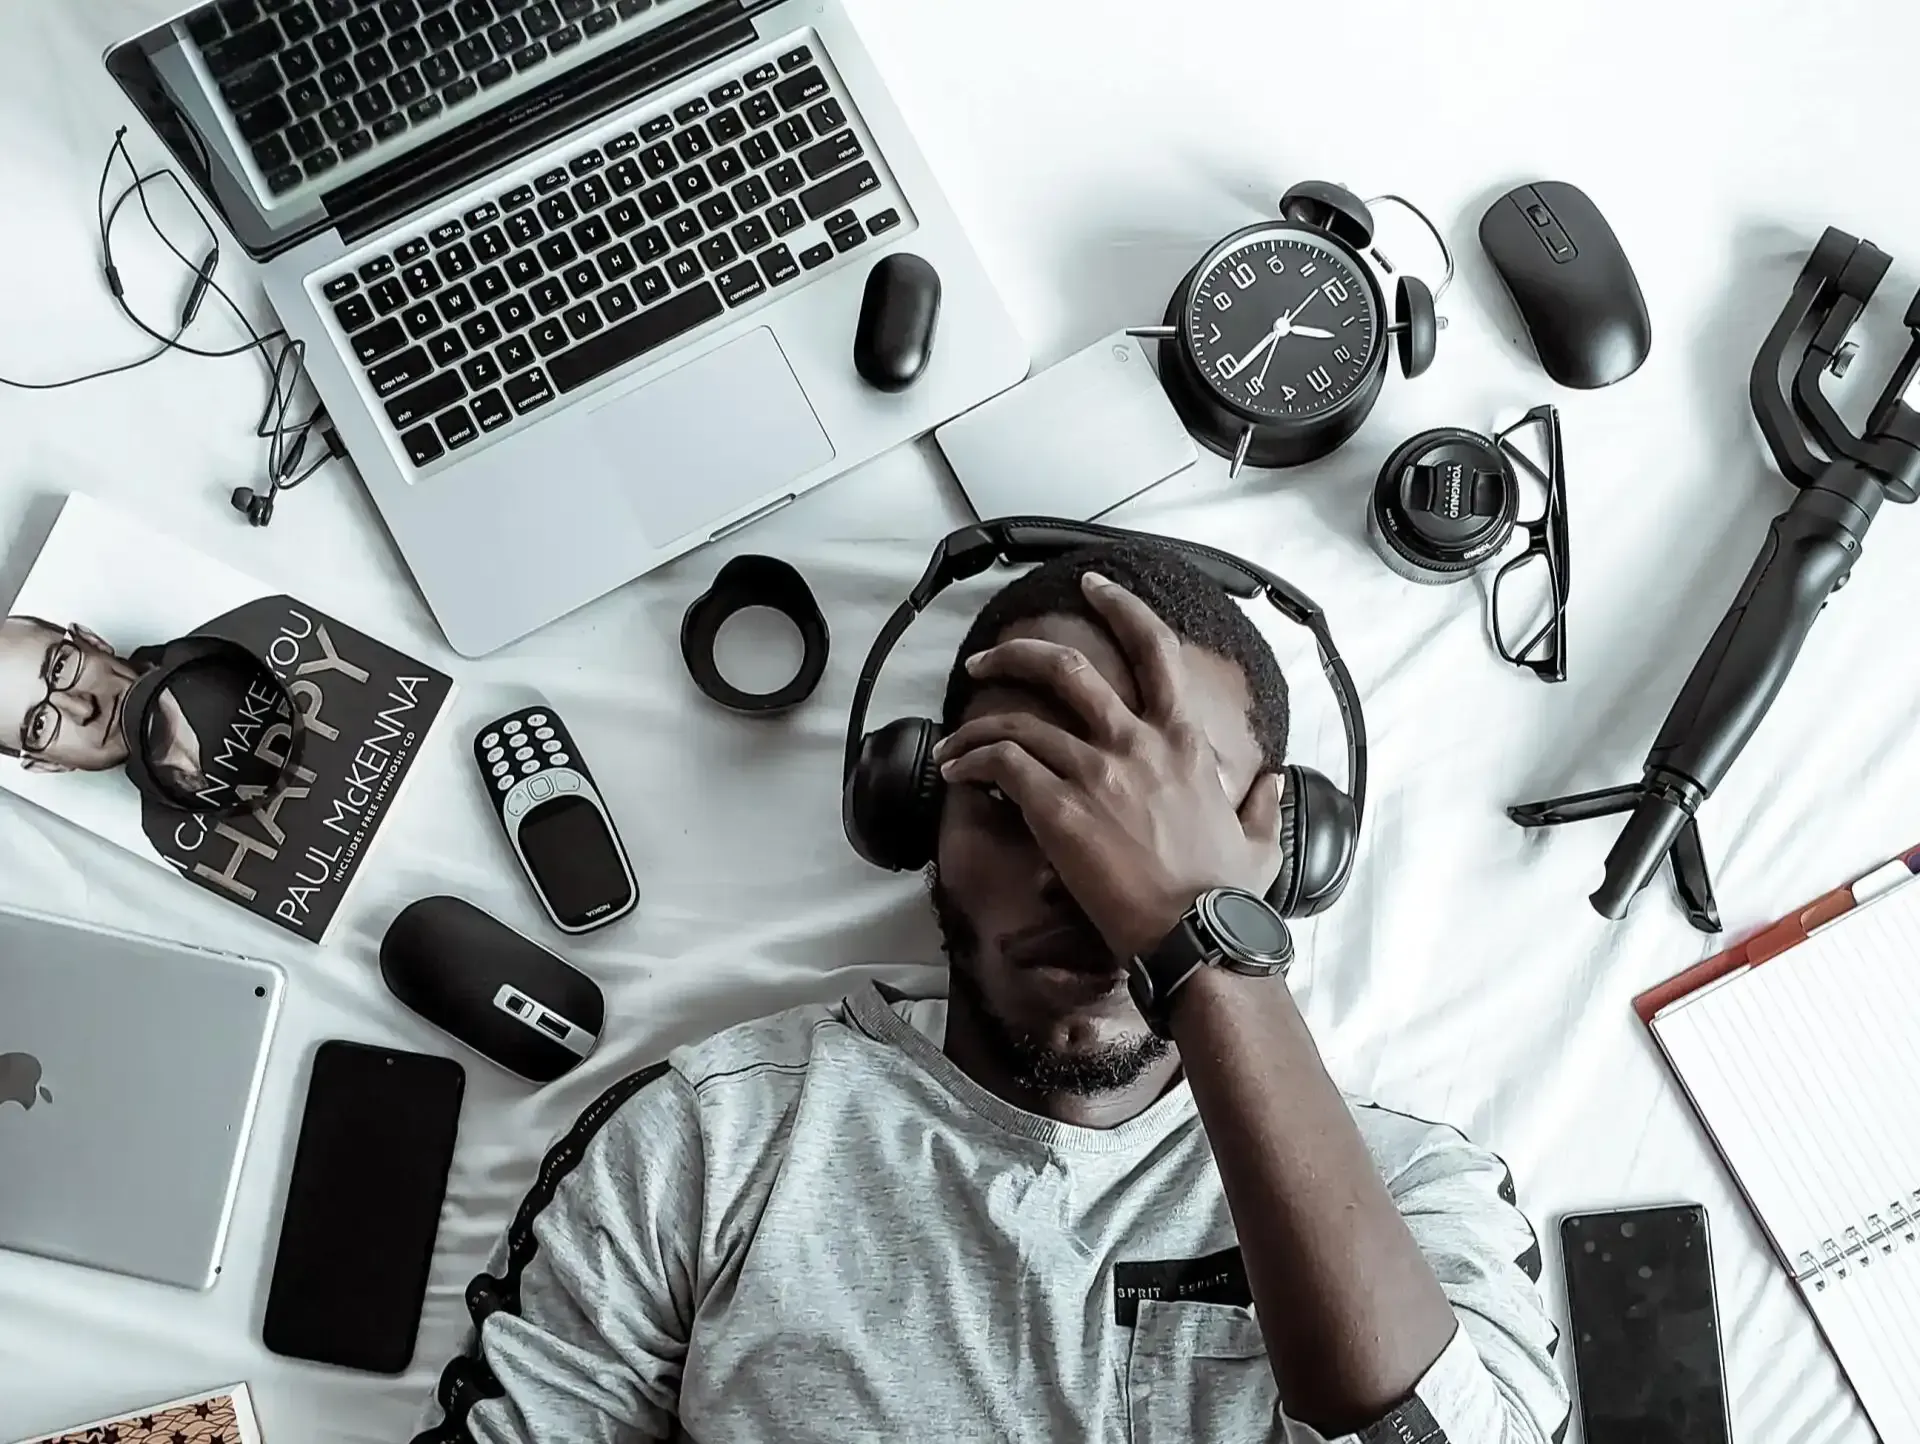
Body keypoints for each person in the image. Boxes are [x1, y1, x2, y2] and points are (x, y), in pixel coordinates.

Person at [415, 542, 1570, 1444]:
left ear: (1276, 851)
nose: (1089, 877)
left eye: (1161, 818)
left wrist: (1200, 943)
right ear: (921, 819)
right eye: (1025, 798)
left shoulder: (1417, 1195)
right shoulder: (706, 1143)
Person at [0, 614, 207, 797]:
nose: (85, 709)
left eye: (59, 668)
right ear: (49, 764)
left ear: (91, 641)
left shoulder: (222, 645)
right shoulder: (167, 834)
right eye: (39, 725)